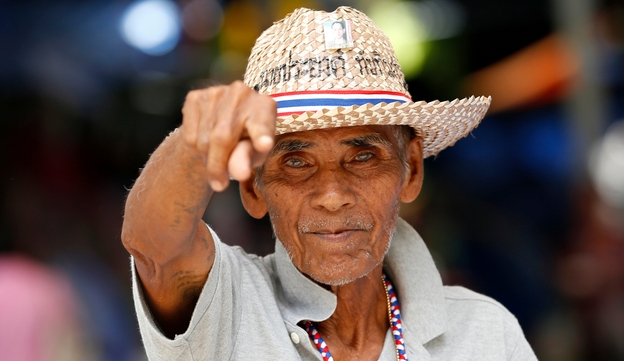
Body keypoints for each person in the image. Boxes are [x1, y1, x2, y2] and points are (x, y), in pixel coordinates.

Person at [121, 6, 538, 361]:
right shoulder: (228, 307)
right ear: (252, 188)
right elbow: (154, 246)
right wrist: (193, 144)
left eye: (362, 157)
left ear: (411, 170)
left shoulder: (486, 333)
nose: (333, 197)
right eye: (297, 162)